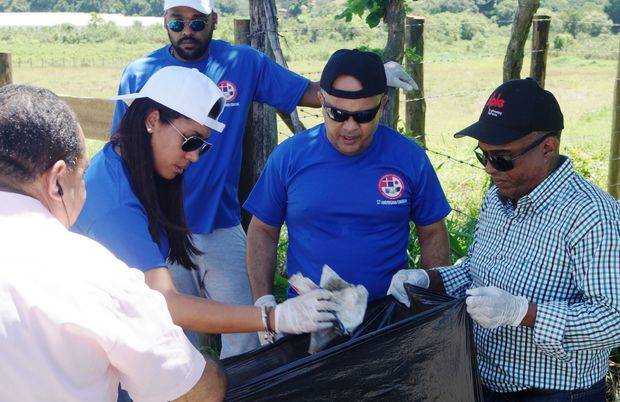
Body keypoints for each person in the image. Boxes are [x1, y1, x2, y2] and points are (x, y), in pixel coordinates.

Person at [111, 0, 417, 357]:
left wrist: (374, 77)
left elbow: (315, 94)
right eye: (177, 23)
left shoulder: (241, 63)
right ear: (164, 21)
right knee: (173, 338)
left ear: (214, 20)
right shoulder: (140, 73)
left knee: (248, 335)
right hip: (161, 226)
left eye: (197, 22)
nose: (187, 32)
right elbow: (124, 151)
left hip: (219, 225)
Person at [74, 66, 339, 377]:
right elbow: (164, 304)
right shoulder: (115, 203)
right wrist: (272, 317)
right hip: (92, 360)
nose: (195, 156)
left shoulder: (127, 168)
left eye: (202, 145)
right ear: (151, 120)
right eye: (190, 141)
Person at [388, 78, 620, 401]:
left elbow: (613, 320)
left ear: (548, 148)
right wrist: (428, 280)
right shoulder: (498, 198)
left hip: (556, 393)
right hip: (487, 382)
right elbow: (476, 272)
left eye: (501, 158)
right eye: (483, 156)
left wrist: (524, 313)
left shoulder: (591, 215)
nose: (489, 169)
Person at [0, 84, 227, 402]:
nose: (87, 188)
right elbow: (191, 386)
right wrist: (269, 320)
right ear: (56, 180)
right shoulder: (95, 271)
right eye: (82, 174)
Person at [243, 49, 451, 345]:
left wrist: (430, 301)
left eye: (364, 116)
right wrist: (263, 300)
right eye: (338, 114)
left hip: (386, 319)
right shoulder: (290, 157)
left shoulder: (408, 158)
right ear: (322, 103)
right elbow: (263, 229)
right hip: (308, 319)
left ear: (383, 105)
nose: (351, 127)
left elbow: (432, 233)